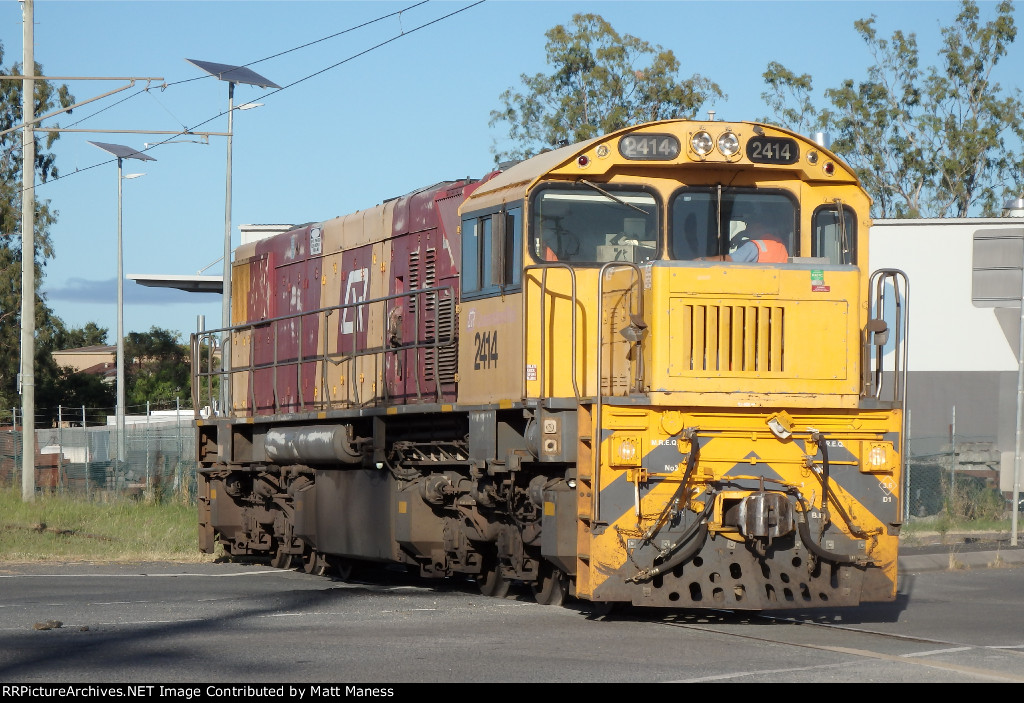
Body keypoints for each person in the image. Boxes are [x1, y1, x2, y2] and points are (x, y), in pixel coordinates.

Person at [697, 212, 789, 263]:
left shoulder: (754, 246)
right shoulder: (778, 243)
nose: (747, 228)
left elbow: (730, 260)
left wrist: (703, 260)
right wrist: (740, 235)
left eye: (748, 225)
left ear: (758, 226)